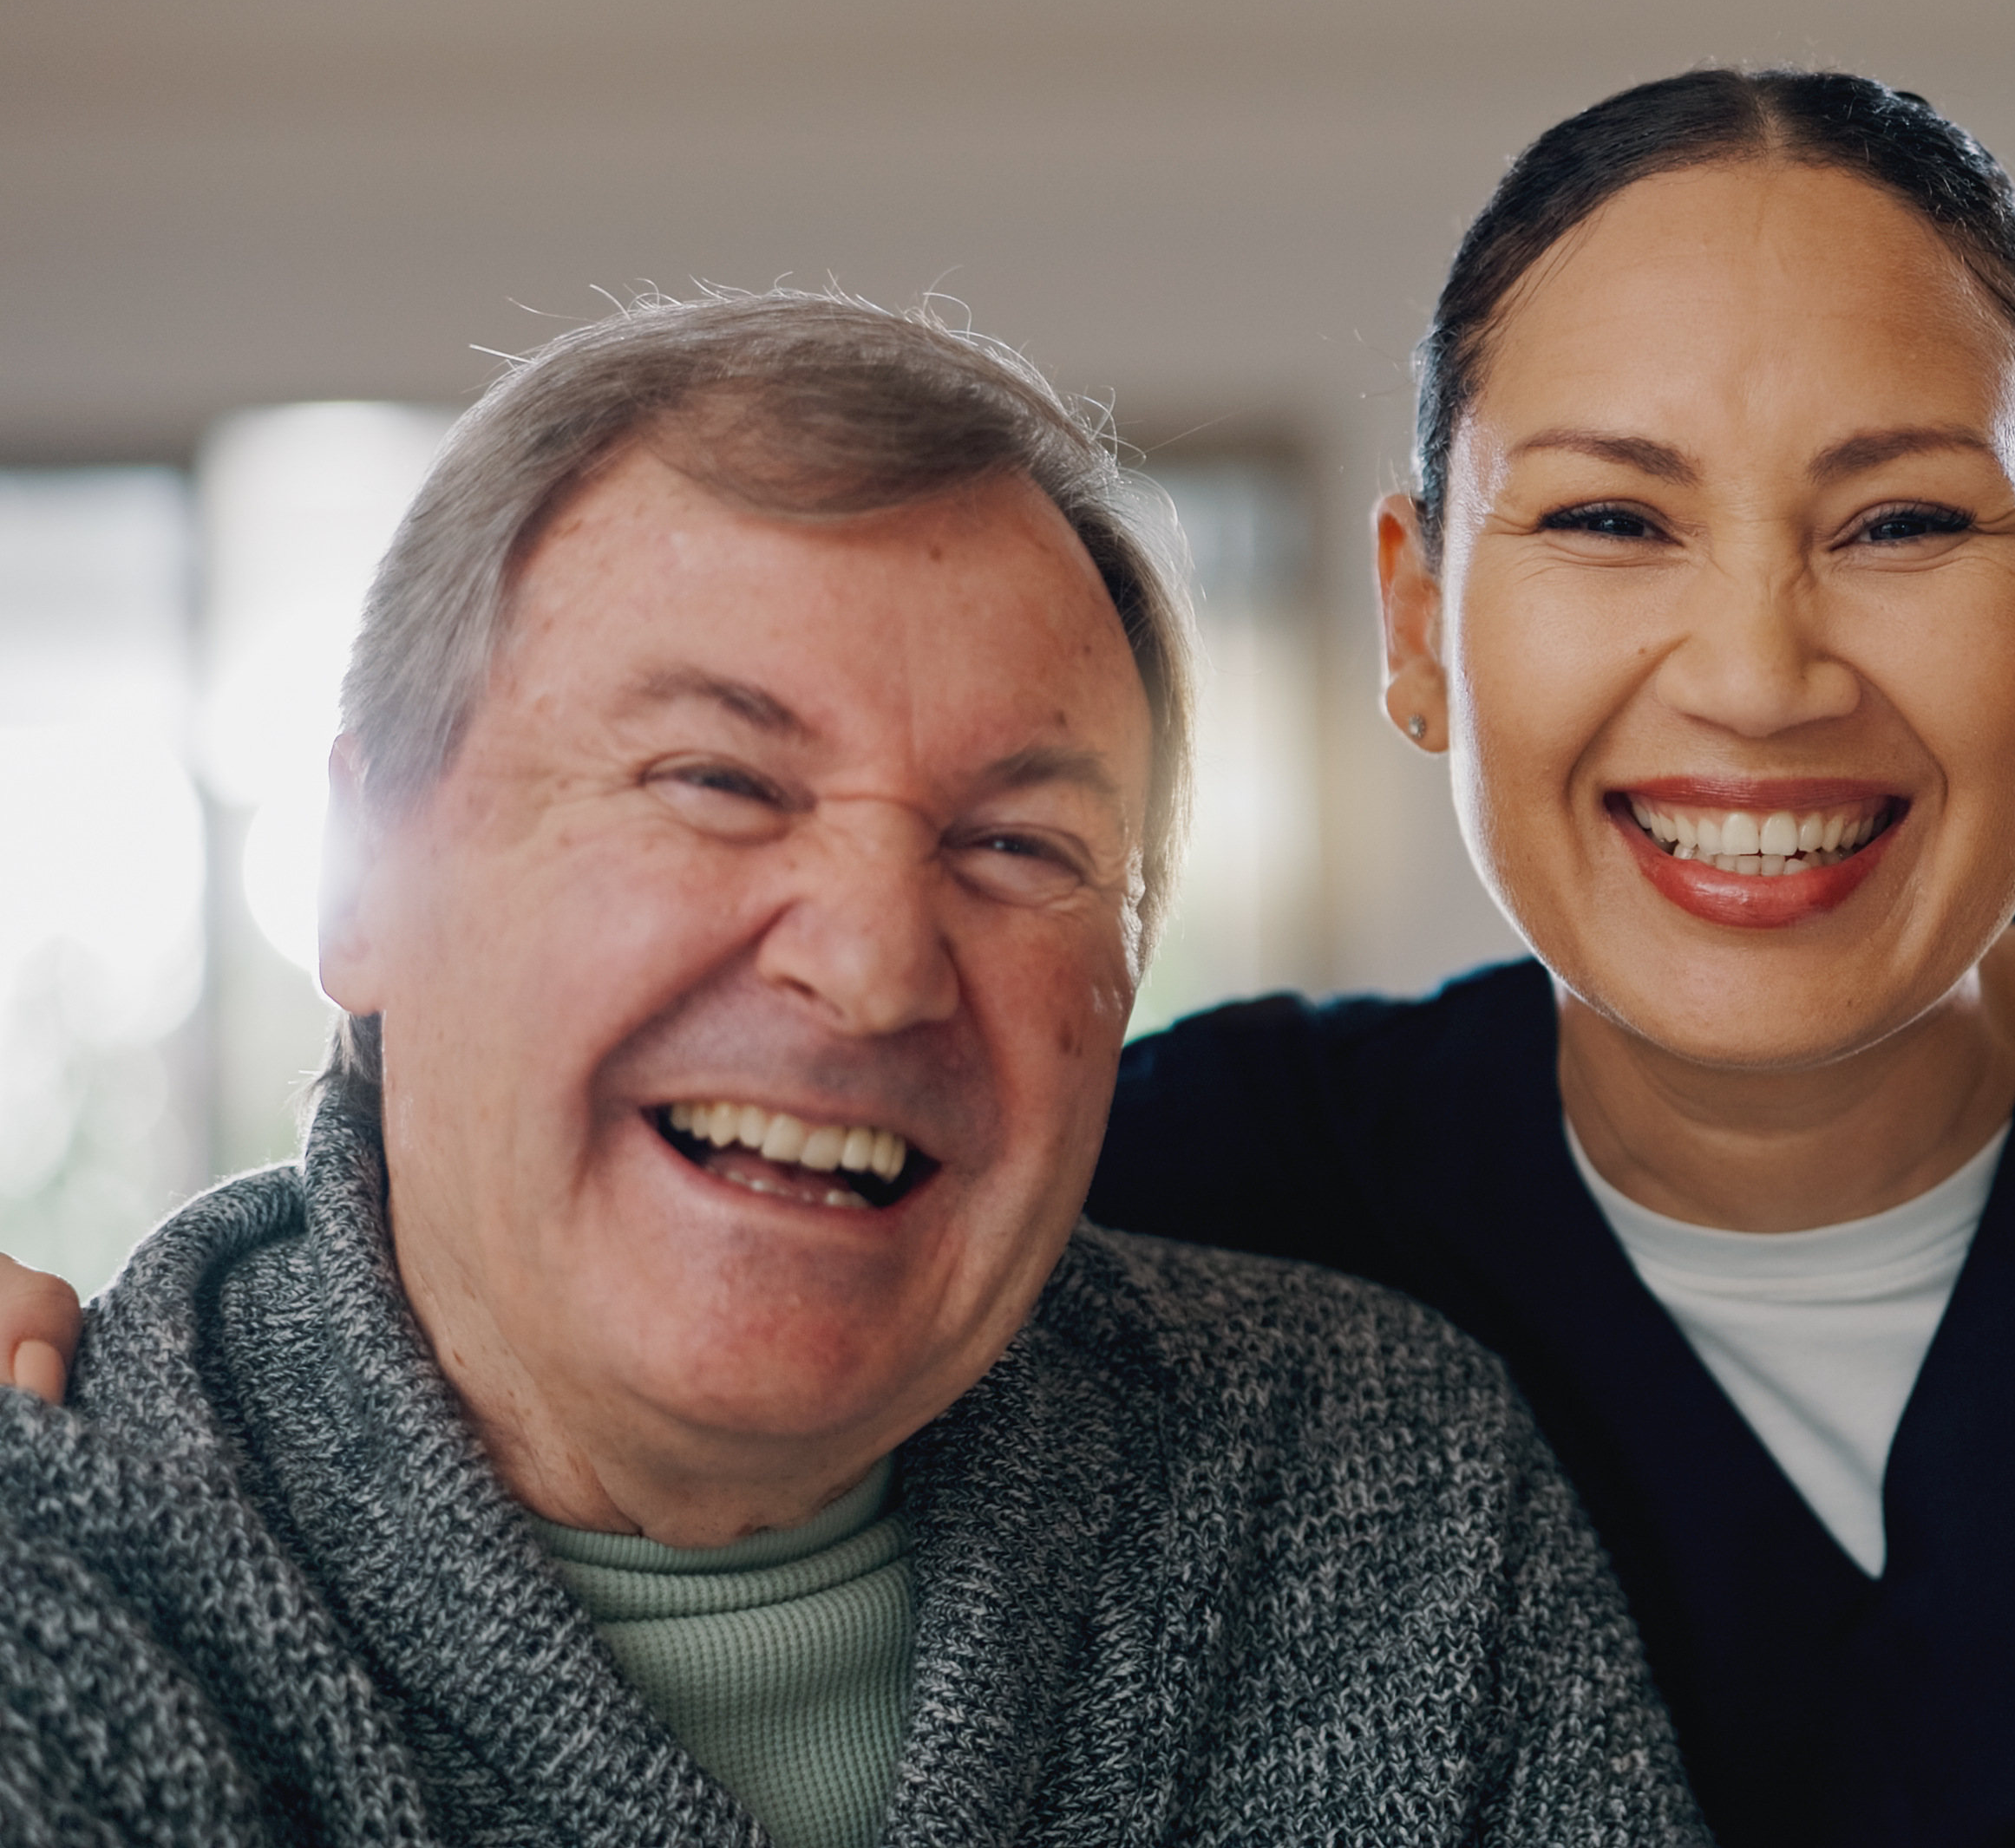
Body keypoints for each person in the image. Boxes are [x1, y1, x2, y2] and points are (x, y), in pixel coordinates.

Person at [0, 70, 2015, 1847]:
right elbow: (517, 1223)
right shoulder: (1191, 1189)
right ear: (1415, 625)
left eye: (1905, 517)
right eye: (1609, 515)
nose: (1758, 669)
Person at [0, 291, 1706, 1846]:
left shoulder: (1377, 1497)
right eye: (717, 784)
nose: (877, 967)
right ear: (358, 881)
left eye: (1020, 847)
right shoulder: (56, 1574)